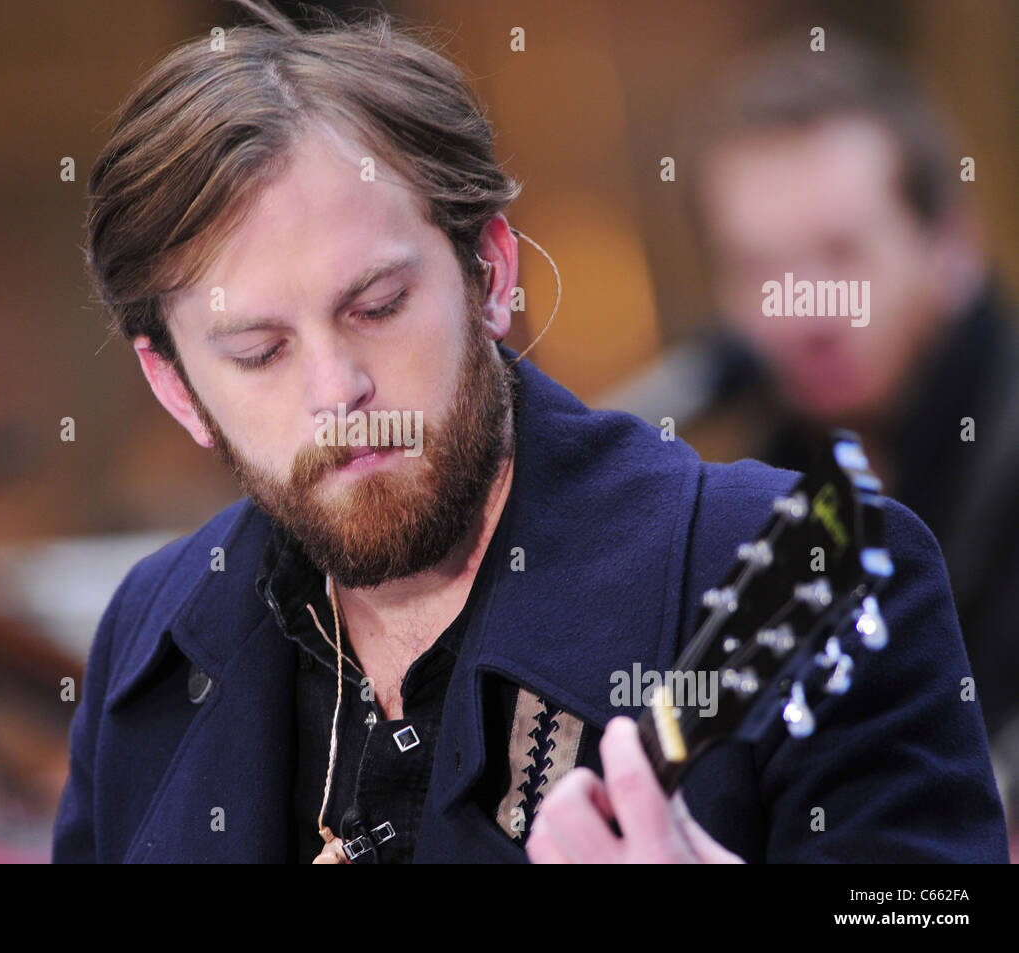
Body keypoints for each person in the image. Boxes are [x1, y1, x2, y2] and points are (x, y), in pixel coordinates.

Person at [52, 1, 1006, 863]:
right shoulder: (150, 636)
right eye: (258, 351)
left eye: (378, 305)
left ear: (491, 272)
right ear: (175, 387)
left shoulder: (799, 564)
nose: (336, 389)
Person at [669, 35, 1019, 747]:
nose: (803, 310)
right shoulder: (760, 504)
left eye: (842, 252)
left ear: (951, 242)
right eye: (760, 268)